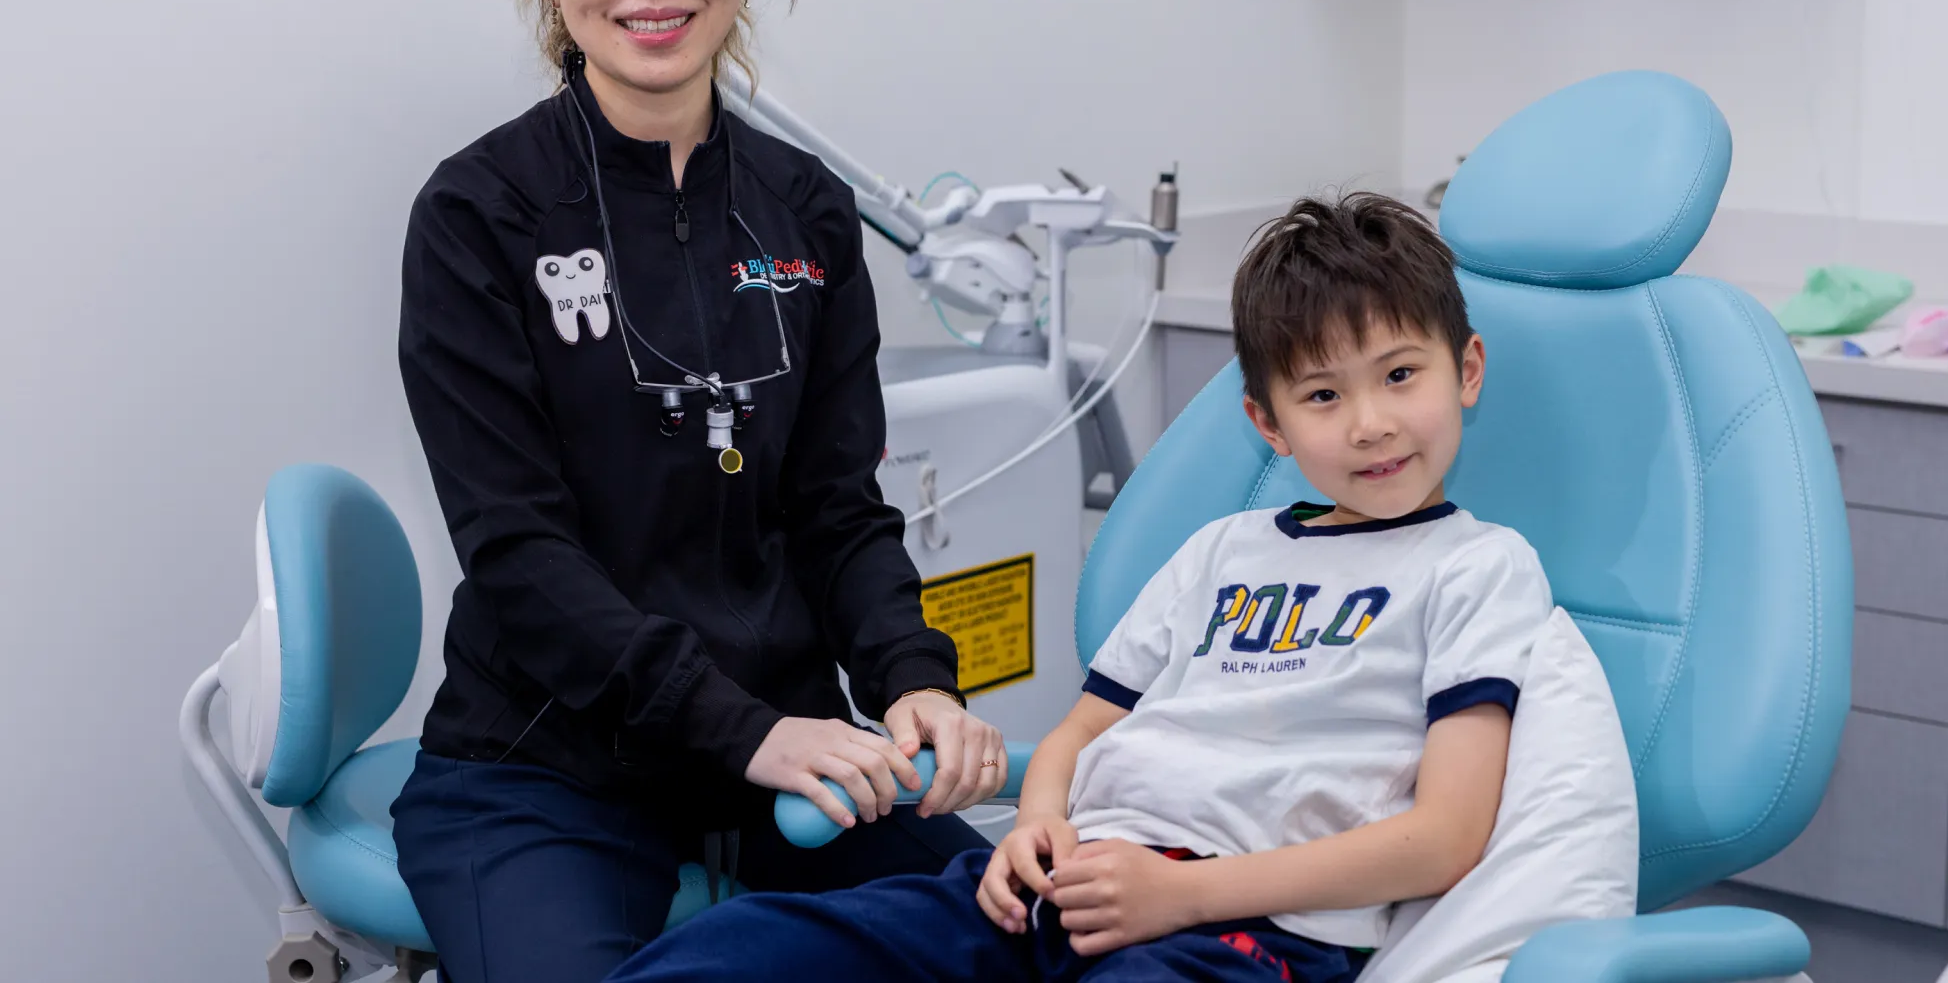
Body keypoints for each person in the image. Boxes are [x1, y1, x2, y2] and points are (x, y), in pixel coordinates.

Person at [604, 192, 1554, 983]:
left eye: (1399, 375)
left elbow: (1446, 836)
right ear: (1268, 423)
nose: (1370, 424)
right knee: (732, 954)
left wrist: (1180, 895)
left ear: (1465, 371)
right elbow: (1076, 732)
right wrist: (1037, 826)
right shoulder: (1222, 552)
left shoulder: (1475, 567)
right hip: (1067, 886)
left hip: (1248, 932)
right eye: (1322, 396)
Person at [389, 0, 1006, 983]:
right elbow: (519, 558)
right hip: (543, 768)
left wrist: (912, 680)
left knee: (1020, 937)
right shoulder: (479, 216)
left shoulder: (807, 213)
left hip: (803, 752)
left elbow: (839, 510)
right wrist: (750, 732)